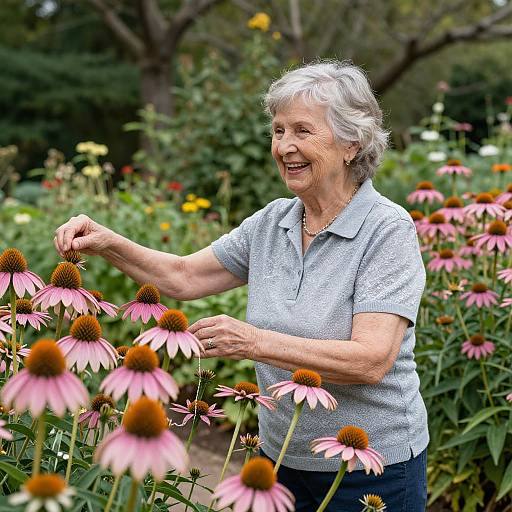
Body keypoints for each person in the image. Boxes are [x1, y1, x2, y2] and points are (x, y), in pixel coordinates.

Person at [54, 60, 428, 511]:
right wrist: (107, 241)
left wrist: (252, 341)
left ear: (351, 143)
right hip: (280, 460)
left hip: (370, 471)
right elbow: (183, 275)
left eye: (303, 131)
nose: (285, 146)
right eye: (278, 131)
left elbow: (371, 360)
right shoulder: (273, 223)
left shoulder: (386, 230)